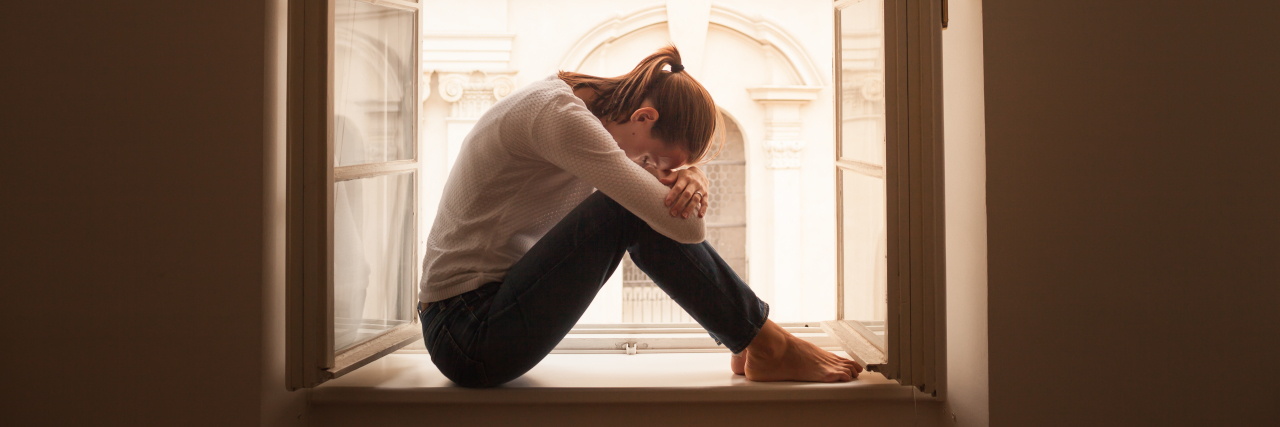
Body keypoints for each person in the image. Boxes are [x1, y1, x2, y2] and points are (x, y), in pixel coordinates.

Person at [417, 45, 861, 387]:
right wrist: (684, 185)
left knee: (633, 206)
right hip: (465, 331)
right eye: (653, 161)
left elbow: (672, 214)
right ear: (644, 117)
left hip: (482, 316)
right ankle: (766, 342)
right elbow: (685, 227)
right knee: (626, 210)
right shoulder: (561, 117)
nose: (652, 173)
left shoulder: (589, 112)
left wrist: (694, 175)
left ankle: (759, 340)